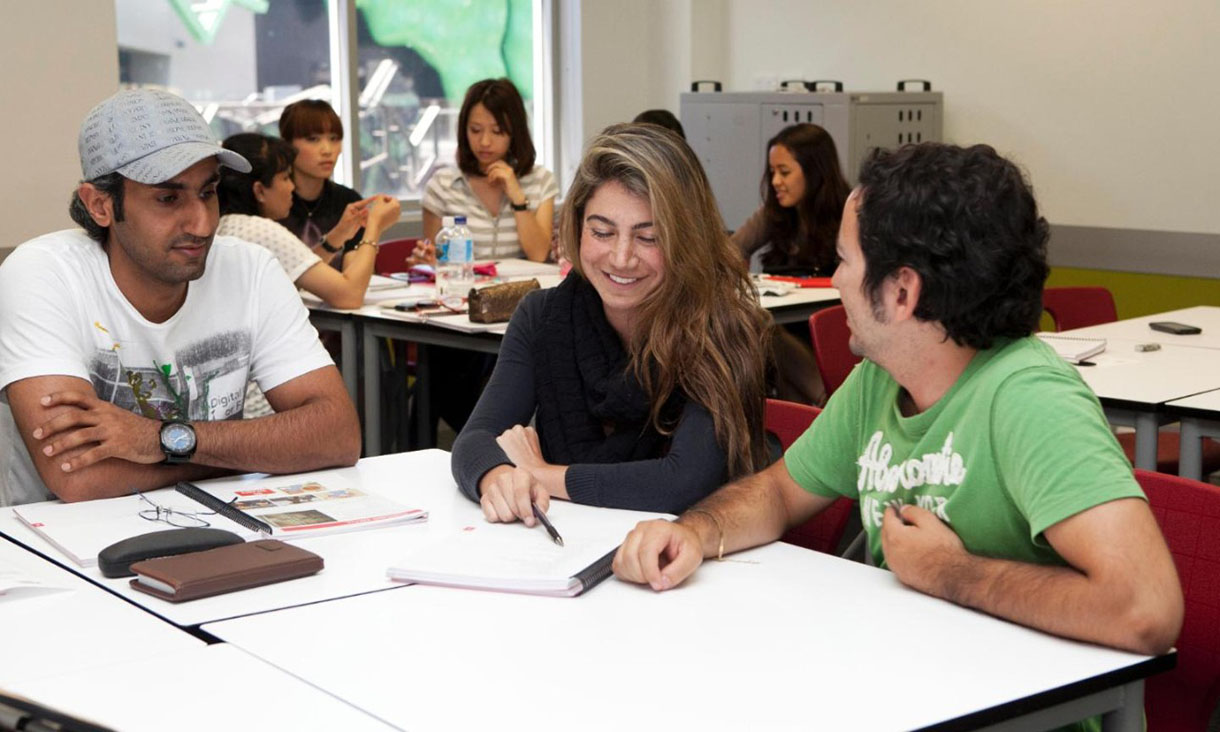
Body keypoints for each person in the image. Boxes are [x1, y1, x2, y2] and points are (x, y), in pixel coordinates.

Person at [613, 143, 1184, 660]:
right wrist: (693, 532)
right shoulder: (882, 379)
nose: (835, 280)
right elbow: (780, 493)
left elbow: (1145, 611)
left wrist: (948, 570)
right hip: (902, 671)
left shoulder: (1030, 401)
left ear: (903, 292)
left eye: (844, 261)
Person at [0, 88, 360, 506]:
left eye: (208, 192)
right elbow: (79, 477)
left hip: (214, 527)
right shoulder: (43, 272)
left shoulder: (251, 268)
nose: (203, 224)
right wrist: (247, 453)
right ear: (100, 204)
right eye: (168, 198)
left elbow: (338, 435)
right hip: (54, 549)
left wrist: (161, 440)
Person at [451, 123, 771, 521]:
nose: (621, 258)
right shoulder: (543, 316)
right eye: (602, 231)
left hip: (689, 557)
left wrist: (539, 475)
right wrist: (499, 476)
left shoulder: (721, 326)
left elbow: (682, 483)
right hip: (571, 544)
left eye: (649, 237)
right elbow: (474, 441)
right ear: (578, 225)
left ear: (687, 239)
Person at [216, 132, 401, 310]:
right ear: (260, 191)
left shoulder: (228, 224)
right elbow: (349, 296)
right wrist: (375, 225)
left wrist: (337, 236)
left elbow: (300, 271)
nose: (292, 186)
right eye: (285, 177)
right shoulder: (260, 230)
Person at [418, 78, 559, 263]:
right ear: (463, 130)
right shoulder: (442, 185)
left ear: (514, 133)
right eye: (475, 130)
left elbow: (539, 254)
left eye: (497, 131)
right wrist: (427, 260)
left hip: (525, 289)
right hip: (463, 287)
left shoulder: (541, 180)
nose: (485, 142)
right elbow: (435, 260)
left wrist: (517, 198)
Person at [732, 123, 850, 276]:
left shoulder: (850, 215)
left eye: (784, 172)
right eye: (772, 172)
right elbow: (731, 250)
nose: (775, 181)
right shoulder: (774, 212)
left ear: (814, 172)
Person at [277, 99, 384, 261]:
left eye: (334, 138)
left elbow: (355, 275)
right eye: (313, 139)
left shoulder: (348, 201)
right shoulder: (274, 201)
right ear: (287, 144)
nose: (327, 150)